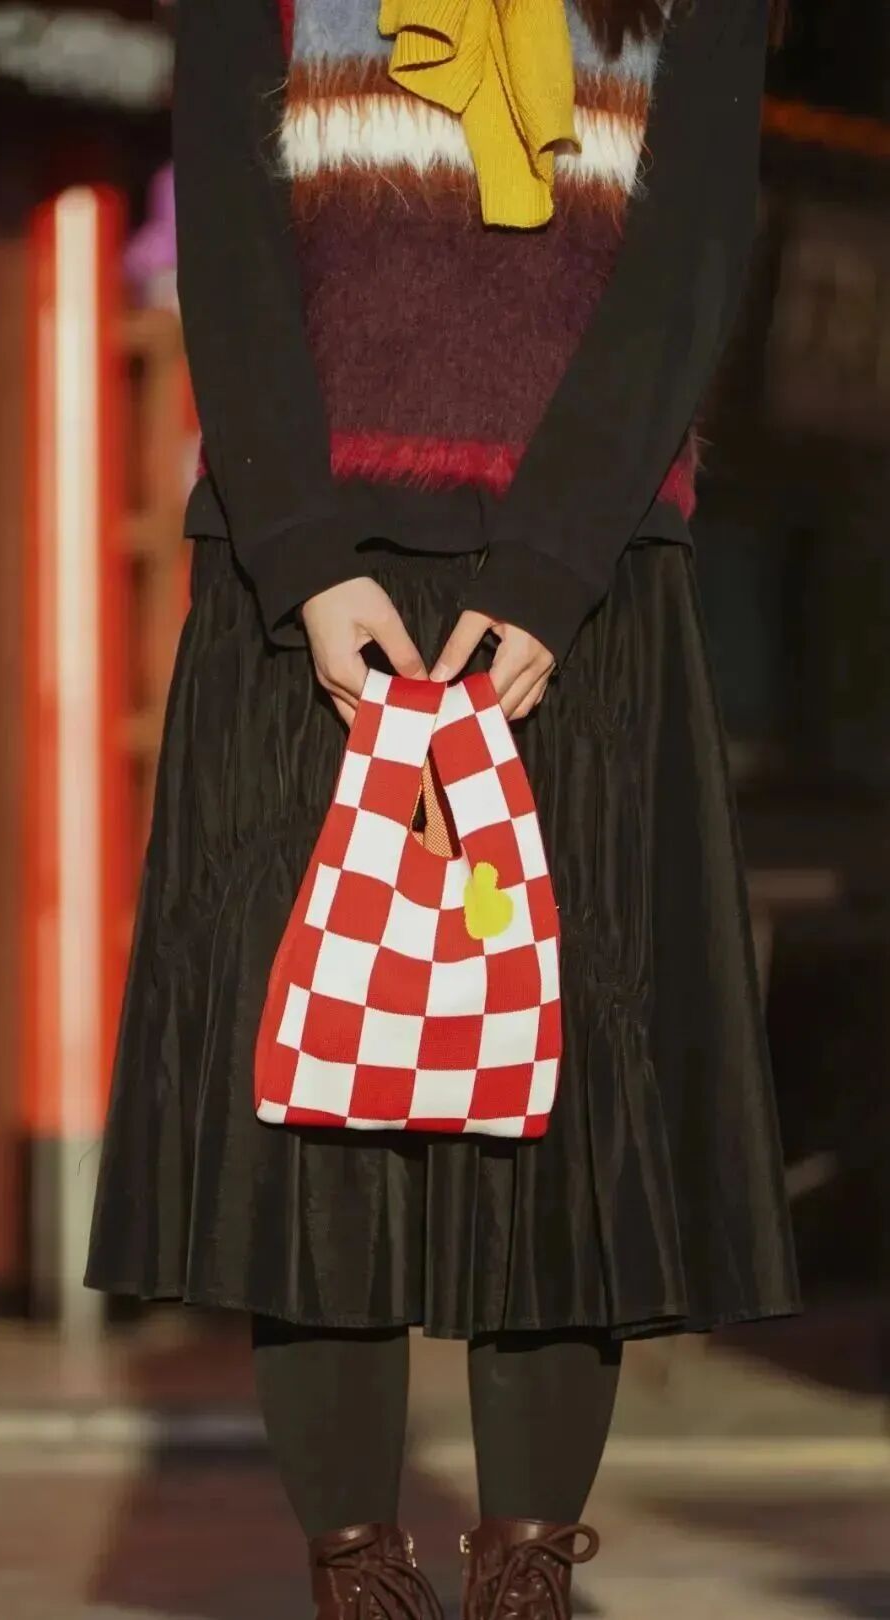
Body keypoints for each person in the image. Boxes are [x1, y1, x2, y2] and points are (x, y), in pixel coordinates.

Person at [86, 0, 799, 1614]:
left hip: (585, 596)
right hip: (306, 592)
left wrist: (552, 566)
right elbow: (232, 256)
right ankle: (360, 1581)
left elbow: (690, 258)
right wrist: (301, 558)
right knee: (319, 1105)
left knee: (559, 1110)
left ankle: (525, 1578)